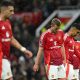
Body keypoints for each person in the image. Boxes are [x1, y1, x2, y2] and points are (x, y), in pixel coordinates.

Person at [0, 1, 33, 80]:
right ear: (4, 10)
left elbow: (11, 38)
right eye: (10, 11)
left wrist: (23, 49)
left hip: (5, 58)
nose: (13, 13)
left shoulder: (7, 22)